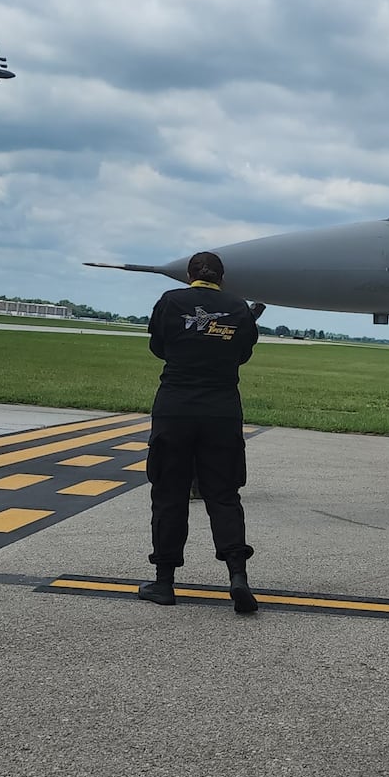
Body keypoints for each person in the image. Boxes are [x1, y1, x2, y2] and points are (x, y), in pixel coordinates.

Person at [139, 251, 264, 614]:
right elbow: (243, 355)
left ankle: (164, 582)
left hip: (175, 408)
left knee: (169, 494)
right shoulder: (239, 307)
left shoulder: (170, 301)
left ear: (190, 275)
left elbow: (158, 347)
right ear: (221, 277)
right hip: (222, 410)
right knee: (224, 495)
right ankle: (237, 575)